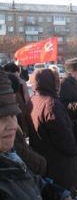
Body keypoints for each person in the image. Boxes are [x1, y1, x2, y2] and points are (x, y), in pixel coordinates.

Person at [0, 70, 72, 200]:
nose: (12, 125)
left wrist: (61, 195)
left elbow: (33, 182)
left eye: (13, 115)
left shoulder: (10, 156)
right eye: (1, 118)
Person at [26, 68, 77, 192]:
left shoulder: (32, 100)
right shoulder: (51, 104)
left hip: (42, 160)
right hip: (58, 165)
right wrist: (74, 150)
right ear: (51, 82)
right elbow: (63, 138)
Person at [60, 57, 77, 187]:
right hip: (74, 127)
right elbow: (63, 105)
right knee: (75, 157)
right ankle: (75, 182)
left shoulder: (75, 82)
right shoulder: (65, 84)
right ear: (72, 71)